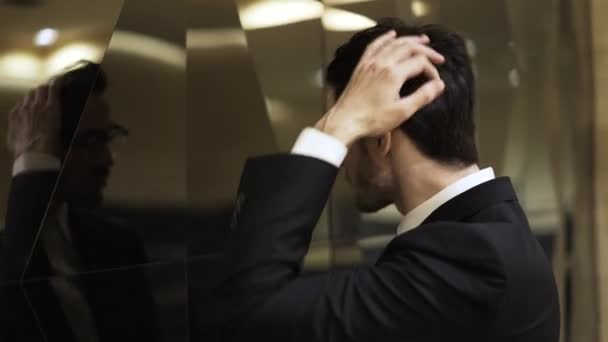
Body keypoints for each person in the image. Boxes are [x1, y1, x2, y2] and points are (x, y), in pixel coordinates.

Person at [208, 19, 560, 342]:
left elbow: (247, 314)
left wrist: (337, 126)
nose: (343, 161)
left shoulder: (473, 261)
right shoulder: (495, 235)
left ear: (381, 139)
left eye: (353, 130)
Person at [0, 61, 159, 341]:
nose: (106, 159)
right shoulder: (12, 247)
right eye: (90, 141)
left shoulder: (121, 244)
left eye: (108, 138)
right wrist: (33, 167)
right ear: (47, 147)